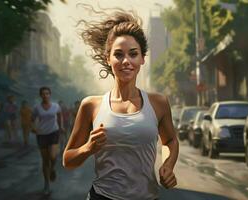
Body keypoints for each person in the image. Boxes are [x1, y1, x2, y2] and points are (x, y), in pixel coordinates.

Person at [63, 9, 179, 200]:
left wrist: (168, 165)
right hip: (102, 196)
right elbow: (68, 160)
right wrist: (88, 148)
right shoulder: (91, 105)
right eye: (118, 55)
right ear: (108, 59)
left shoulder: (158, 103)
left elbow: (170, 141)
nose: (126, 61)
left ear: (142, 59)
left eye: (133, 54)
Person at [32, 87, 64, 195]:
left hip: (53, 132)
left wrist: (61, 126)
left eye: (47, 93)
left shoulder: (56, 106)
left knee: (53, 156)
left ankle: (52, 168)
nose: (45, 95)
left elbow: (60, 116)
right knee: (45, 160)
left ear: (50, 95)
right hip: (41, 135)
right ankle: (46, 184)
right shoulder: (37, 107)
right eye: (43, 94)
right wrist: (34, 127)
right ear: (40, 95)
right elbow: (32, 119)